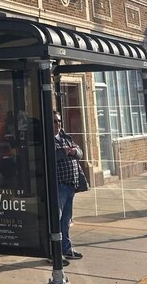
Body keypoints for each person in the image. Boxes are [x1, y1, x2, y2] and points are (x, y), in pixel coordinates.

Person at [53, 112, 83, 262]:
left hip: (70, 185)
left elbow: (80, 153)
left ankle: (66, 249)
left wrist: (74, 151)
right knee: (56, 220)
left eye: (59, 121)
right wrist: (64, 151)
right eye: (54, 121)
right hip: (59, 186)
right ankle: (54, 252)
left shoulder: (66, 137)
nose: (57, 124)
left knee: (66, 220)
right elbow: (49, 157)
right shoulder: (48, 140)